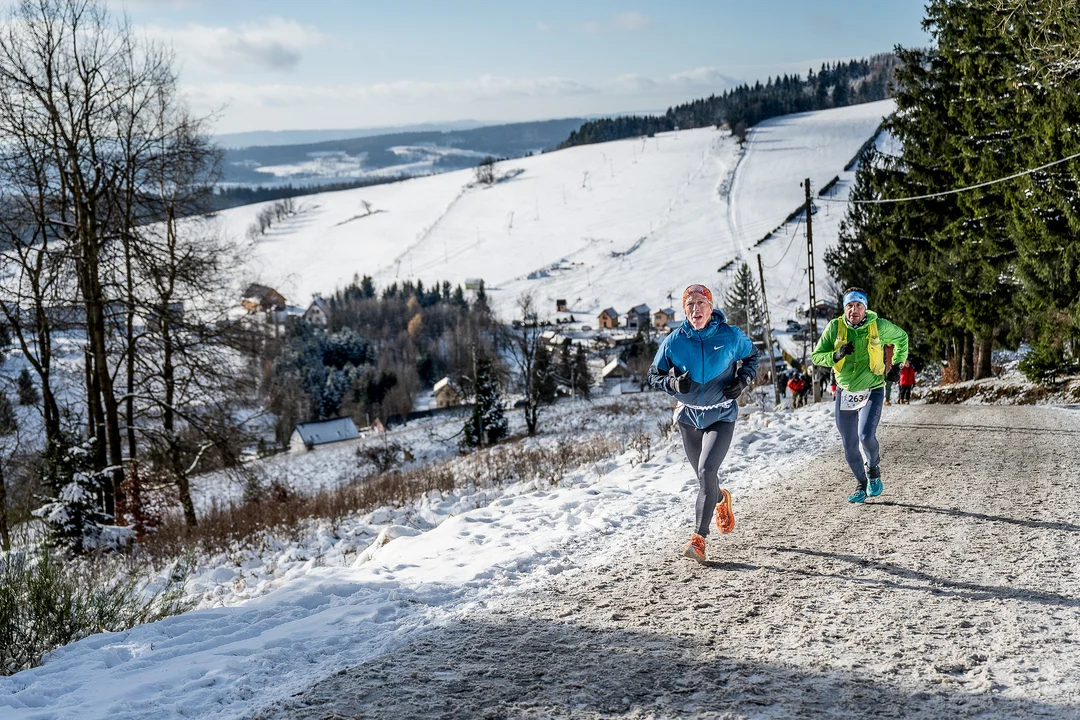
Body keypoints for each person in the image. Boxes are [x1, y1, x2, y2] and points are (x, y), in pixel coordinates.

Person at [649, 283, 760, 563]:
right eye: (690, 304)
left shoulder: (731, 336)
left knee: (707, 469)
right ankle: (721, 499)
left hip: (721, 414)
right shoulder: (674, 341)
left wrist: (743, 380)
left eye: (701, 303)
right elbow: (653, 375)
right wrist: (672, 382)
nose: (695, 309)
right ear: (684, 310)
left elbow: (752, 356)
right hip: (688, 417)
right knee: (705, 477)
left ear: (711, 308)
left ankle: (699, 539)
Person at [811, 288, 908, 503]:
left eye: (858, 306)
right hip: (845, 392)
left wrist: (897, 365)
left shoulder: (878, 326)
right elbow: (816, 357)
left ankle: (873, 468)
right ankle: (861, 484)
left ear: (865, 308)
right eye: (849, 306)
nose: (854, 310)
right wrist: (835, 355)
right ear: (844, 308)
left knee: (865, 436)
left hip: (872, 388)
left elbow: (902, 338)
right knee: (849, 443)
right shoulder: (835, 327)